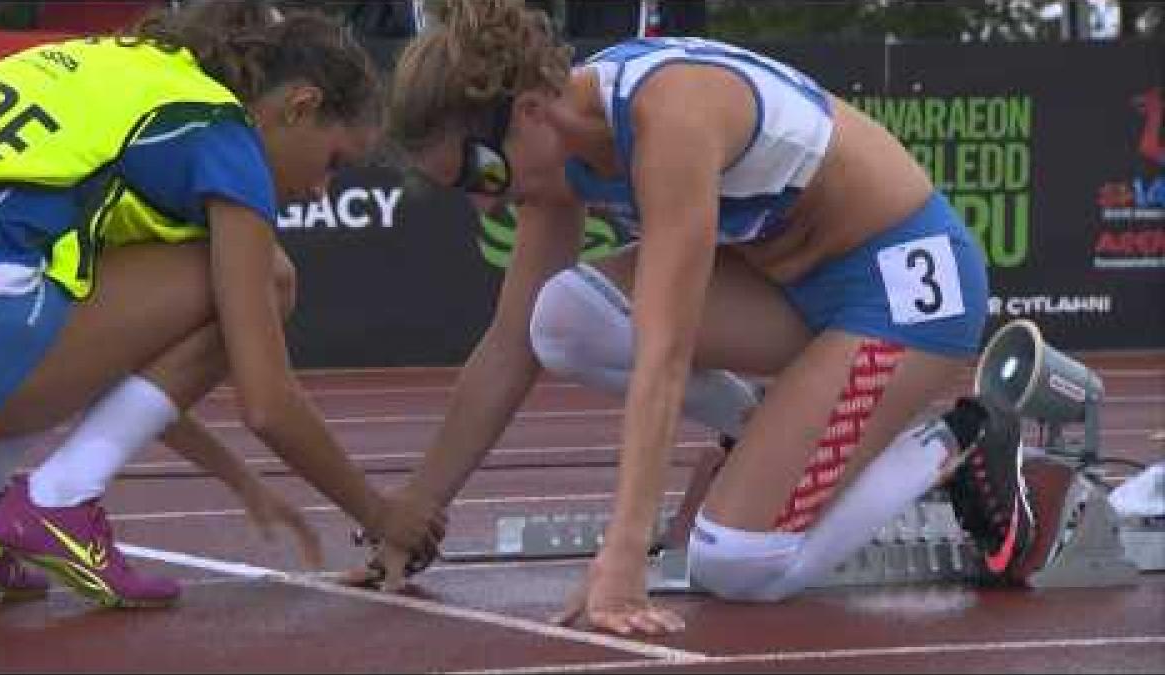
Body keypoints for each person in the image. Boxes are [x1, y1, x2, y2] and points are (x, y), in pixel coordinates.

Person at [367, 0, 1044, 635]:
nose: (485, 205)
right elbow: (512, 345)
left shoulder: (671, 120)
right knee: (561, 318)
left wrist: (624, 555)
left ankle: (965, 437)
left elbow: (665, 352)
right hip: (793, 286)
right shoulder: (557, 151)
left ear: (533, 111)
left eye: (481, 175)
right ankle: (769, 437)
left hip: (904, 293)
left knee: (740, 561)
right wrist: (412, 513)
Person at [0, 0, 442, 607]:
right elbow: (266, 402)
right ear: (301, 106)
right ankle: (59, 499)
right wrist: (380, 515)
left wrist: (235, 476)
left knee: (33, 275)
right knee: (269, 278)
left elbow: (107, 361)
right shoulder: (218, 131)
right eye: (334, 162)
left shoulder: (116, 72)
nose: (321, 188)